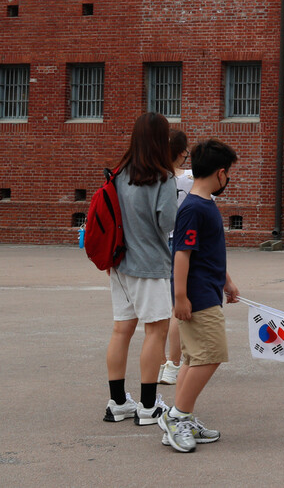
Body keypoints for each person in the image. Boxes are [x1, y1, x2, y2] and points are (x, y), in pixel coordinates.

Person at [159, 139, 241, 453]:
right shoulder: (194, 207)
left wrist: (227, 281)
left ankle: (183, 416)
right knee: (212, 354)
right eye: (228, 173)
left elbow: (208, 253)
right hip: (197, 295)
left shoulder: (205, 203)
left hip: (208, 289)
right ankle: (177, 417)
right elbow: (182, 254)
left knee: (194, 359)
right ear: (220, 173)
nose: (227, 178)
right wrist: (180, 297)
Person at [103, 112, 176, 426]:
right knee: (156, 331)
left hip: (120, 264)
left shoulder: (118, 174)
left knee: (121, 330)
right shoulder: (163, 178)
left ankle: (118, 402)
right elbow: (167, 222)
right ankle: (148, 406)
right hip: (150, 265)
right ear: (161, 140)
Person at [159, 129, 193, 386]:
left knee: (159, 308)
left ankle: (160, 362)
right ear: (182, 152)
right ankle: (174, 364)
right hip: (182, 242)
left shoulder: (154, 176)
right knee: (177, 306)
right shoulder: (190, 178)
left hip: (158, 242)